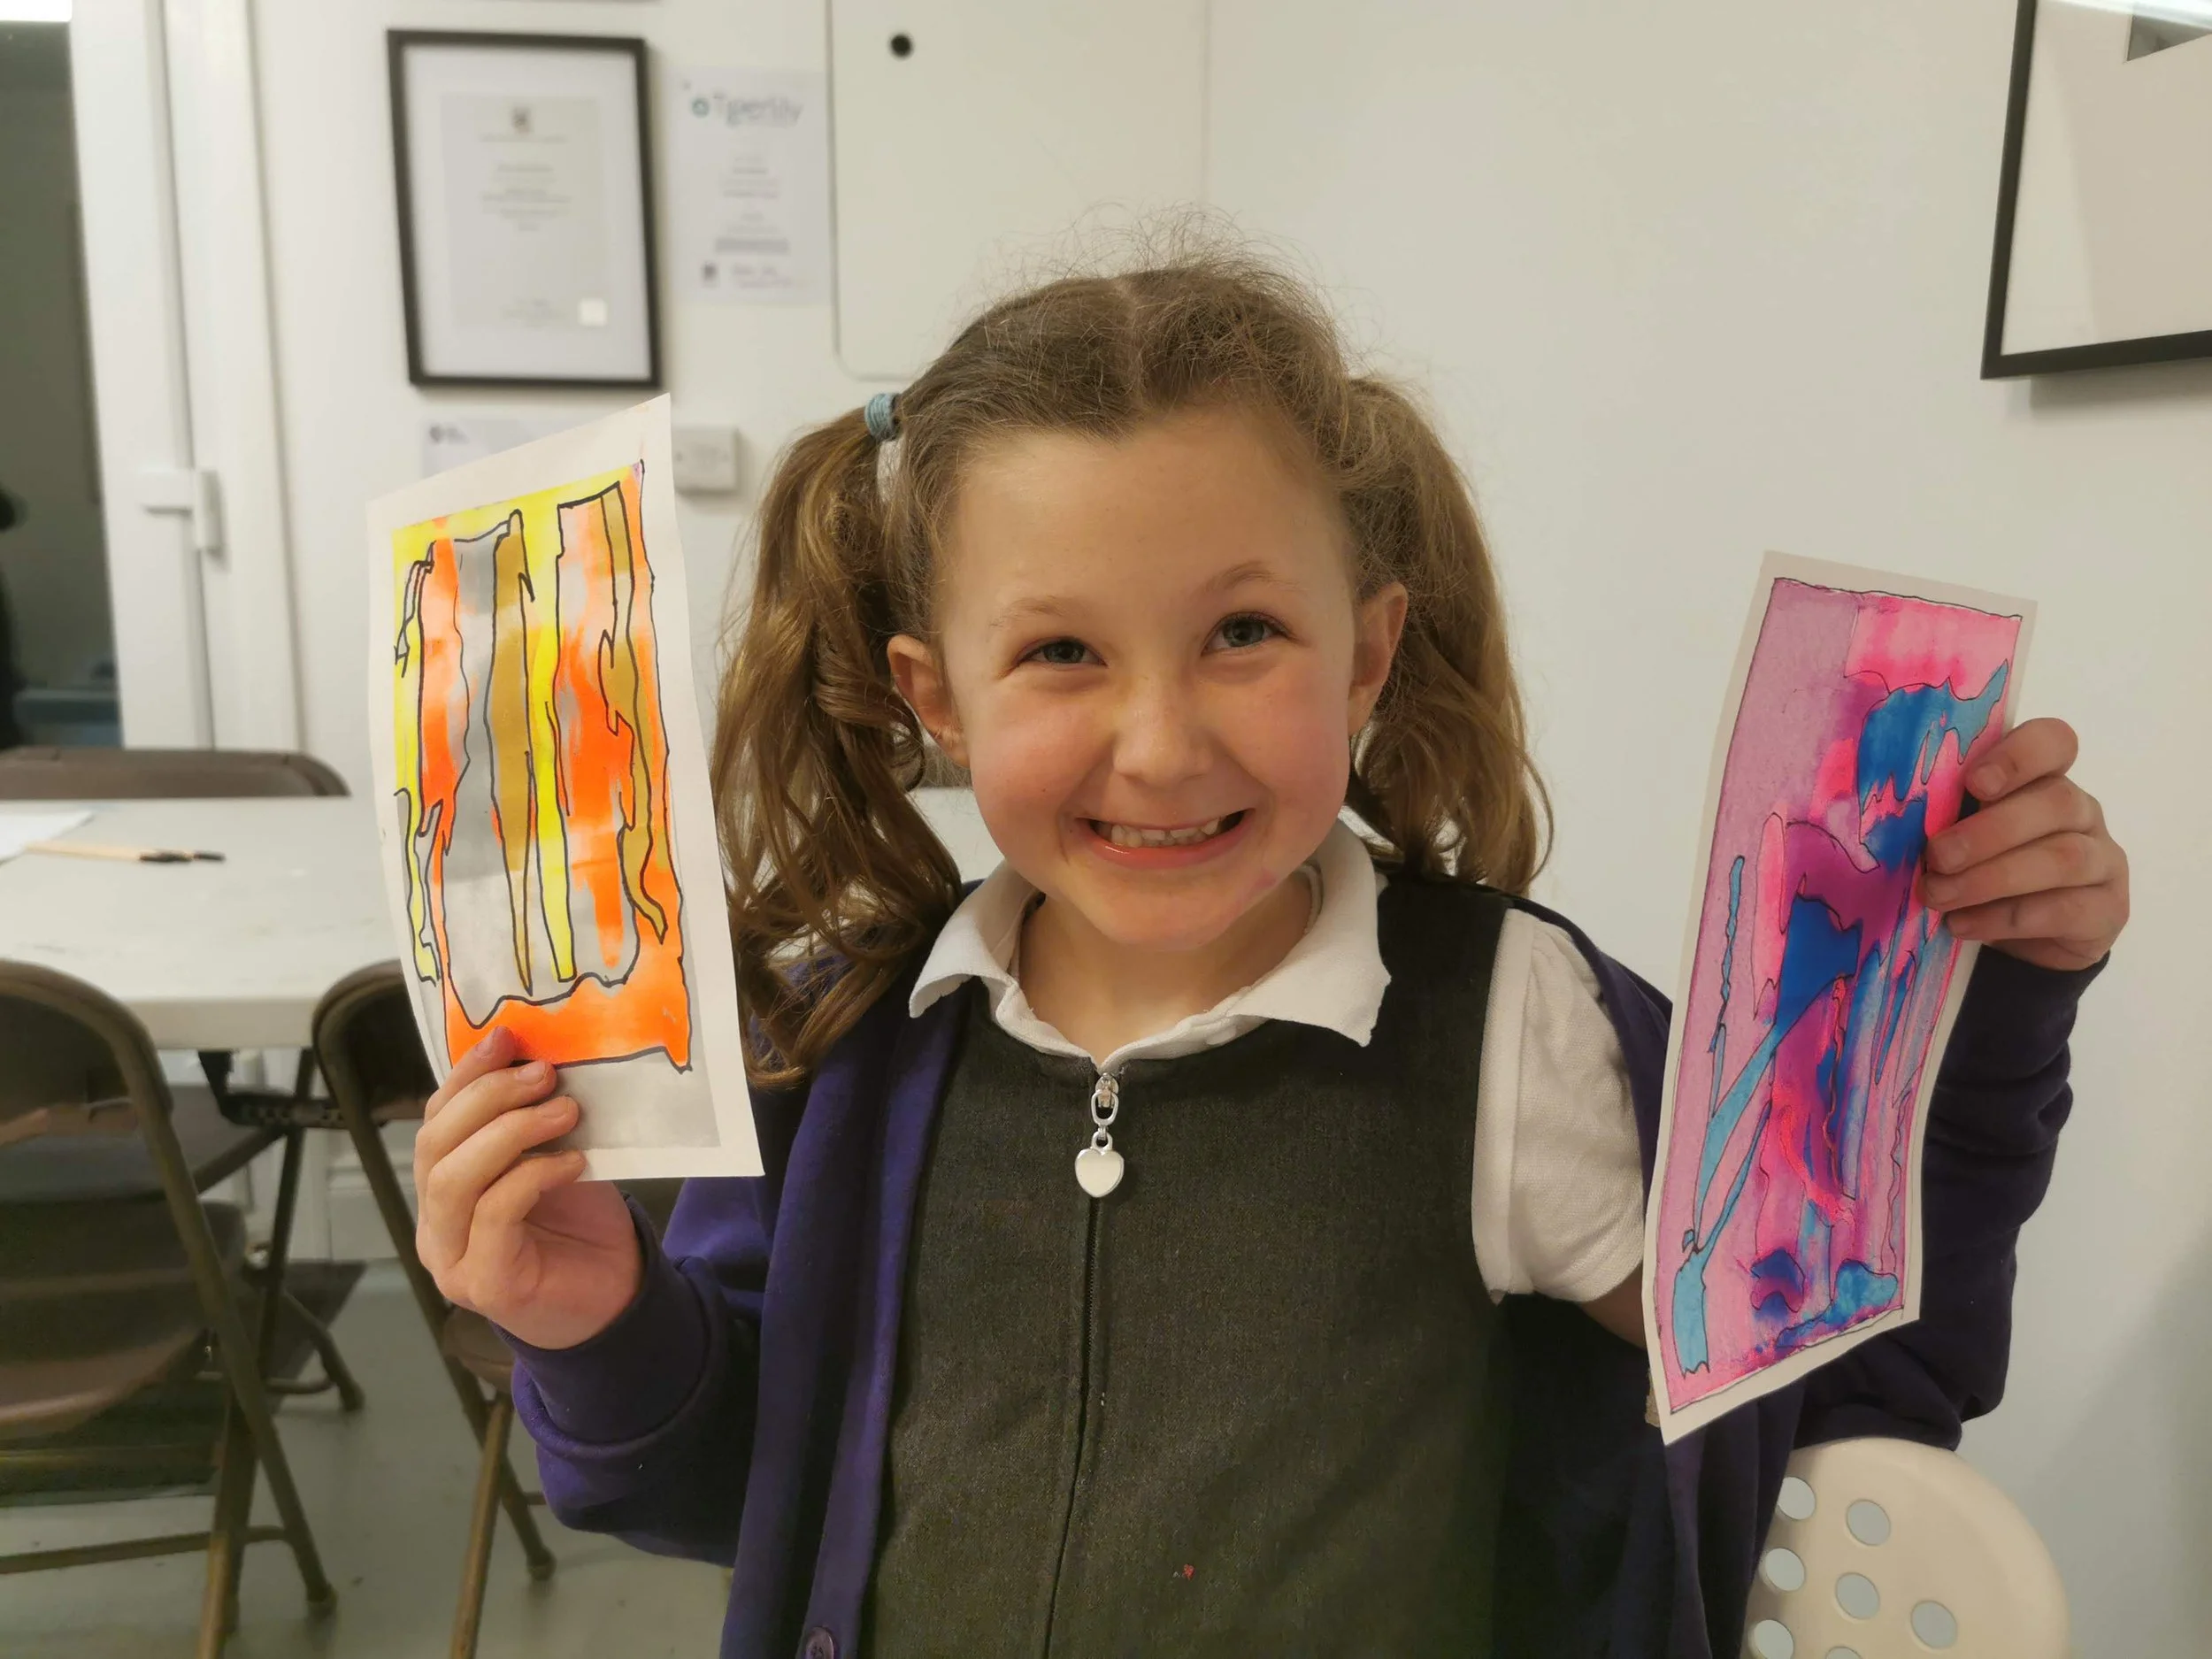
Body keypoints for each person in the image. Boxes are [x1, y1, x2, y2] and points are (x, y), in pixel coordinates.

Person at [411, 245, 2128, 1657]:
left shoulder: (1508, 1032)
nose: (1159, 743)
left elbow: (1837, 1356)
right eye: (1062, 652)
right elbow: (732, 1488)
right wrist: (597, 1320)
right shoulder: (846, 1044)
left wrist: (1972, 1004)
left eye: (1243, 632)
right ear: (934, 695)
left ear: (1367, 651)